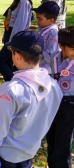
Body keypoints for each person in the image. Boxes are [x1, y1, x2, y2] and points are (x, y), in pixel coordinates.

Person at [0, 30, 62, 168]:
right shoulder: (54, 86)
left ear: (16, 56)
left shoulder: (11, 90)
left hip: (3, 156)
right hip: (29, 153)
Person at [46, 26, 74, 168]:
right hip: (53, 102)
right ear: (61, 46)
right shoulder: (54, 57)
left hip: (69, 105)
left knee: (63, 145)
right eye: (73, 49)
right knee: (51, 140)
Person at [0, 0, 33, 81]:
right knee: (11, 61)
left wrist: (12, 41)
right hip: (10, 33)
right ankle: (14, 82)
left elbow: (20, 23)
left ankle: (12, 81)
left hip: (16, 35)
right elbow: (10, 20)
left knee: (0, 61)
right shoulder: (18, 0)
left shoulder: (24, 2)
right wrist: (5, 35)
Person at [31, 1, 60, 72]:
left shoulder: (53, 33)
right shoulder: (44, 29)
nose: (37, 21)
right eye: (36, 18)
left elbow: (51, 56)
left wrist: (32, 51)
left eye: (40, 19)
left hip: (47, 71)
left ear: (51, 21)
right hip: (39, 68)